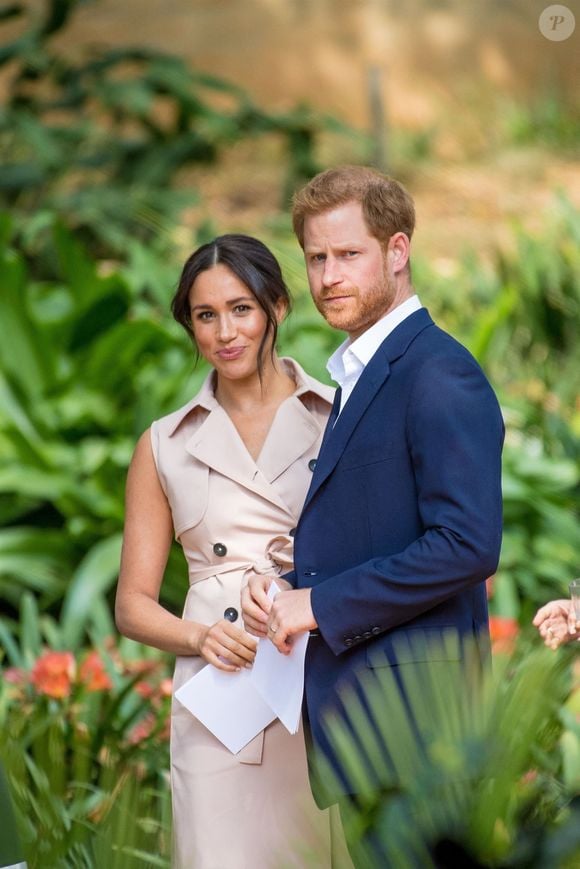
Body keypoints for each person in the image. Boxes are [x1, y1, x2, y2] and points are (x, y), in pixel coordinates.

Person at [242, 166, 504, 853]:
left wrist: (319, 605)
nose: (328, 276)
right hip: (370, 728)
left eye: (348, 255)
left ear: (397, 251)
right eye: (317, 258)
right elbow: (373, 529)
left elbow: (467, 544)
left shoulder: (437, 372)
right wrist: (291, 587)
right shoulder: (360, 376)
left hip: (419, 732)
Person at [115, 234, 347, 868]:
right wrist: (199, 639)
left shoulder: (338, 417)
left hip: (318, 682)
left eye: (241, 308)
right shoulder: (164, 444)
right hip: (220, 702)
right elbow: (132, 605)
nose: (225, 332)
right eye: (205, 315)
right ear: (189, 325)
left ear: (276, 305)